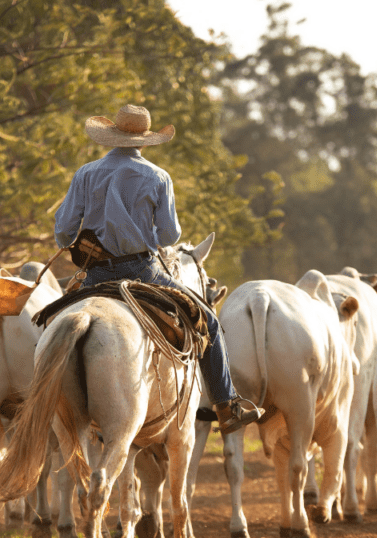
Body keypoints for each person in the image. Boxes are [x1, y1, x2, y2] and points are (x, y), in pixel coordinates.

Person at [54, 104, 263, 435]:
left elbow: (64, 232)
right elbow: (169, 237)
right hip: (142, 271)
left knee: (50, 319)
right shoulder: (157, 176)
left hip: (95, 274)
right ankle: (226, 406)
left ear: (112, 136)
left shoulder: (86, 173)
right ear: (144, 140)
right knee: (208, 320)